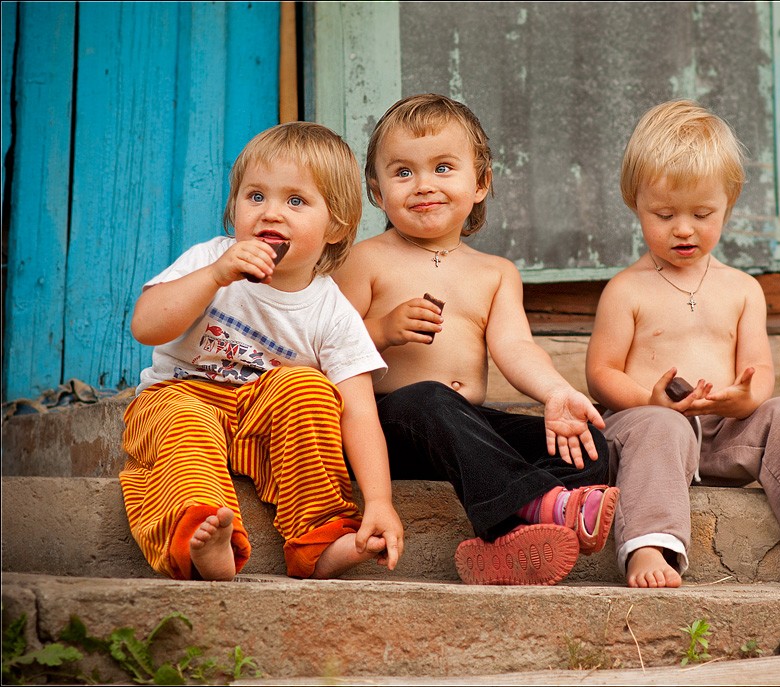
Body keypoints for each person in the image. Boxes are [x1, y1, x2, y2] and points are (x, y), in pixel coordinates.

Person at [585, 99, 780, 590]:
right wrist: (648, 400)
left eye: (702, 213)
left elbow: (758, 369)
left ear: (728, 203)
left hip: (726, 436)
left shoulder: (743, 289)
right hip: (649, 438)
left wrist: (746, 397)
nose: (683, 228)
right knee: (663, 426)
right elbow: (600, 372)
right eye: (663, 214)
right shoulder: (626, 289)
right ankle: (647, 546)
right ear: (634, 203)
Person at [334, 93, 618, 586]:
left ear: (480, 182)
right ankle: (536, 503)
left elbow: (515, 347)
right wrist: (380, 332)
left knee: (591, 444)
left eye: (443, 167)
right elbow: (323, 346)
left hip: (466, 427)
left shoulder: (495, 272)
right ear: (378, 193)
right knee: (428, 397)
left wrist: (555, 393)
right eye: (403, 173)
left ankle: (500, 544)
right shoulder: (364, 260)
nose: (423, 185)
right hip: (390, 426)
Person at [120, 121, 403, 582]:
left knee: (309, 386)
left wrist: (380, 502)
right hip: (181, 395)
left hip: (259, 423)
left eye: (295, 201)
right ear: (234, 208)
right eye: (256, 197)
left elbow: (359, 414)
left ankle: (322, 539)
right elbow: (146, 326)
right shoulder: (209, 259)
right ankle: (206, 541)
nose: (271, 213)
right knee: (182, 420)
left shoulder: (332, 312)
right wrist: (214, 276)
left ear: (335, 226)